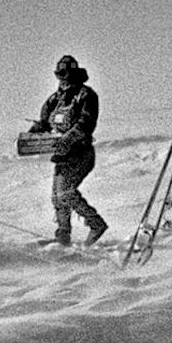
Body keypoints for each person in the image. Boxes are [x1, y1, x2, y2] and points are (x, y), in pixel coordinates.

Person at [30, 54, 108, 246]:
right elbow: (44, 123)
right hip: (61, 156)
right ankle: (63, 236)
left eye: (66, 74)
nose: (63, 79)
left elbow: (85, 124)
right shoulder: (54, 100)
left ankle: (96, 223)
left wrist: (67, 139)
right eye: (60, 75)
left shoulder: (87, 95)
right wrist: (33, 134)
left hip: (81, 154)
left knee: (66, 192)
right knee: (57, 197)